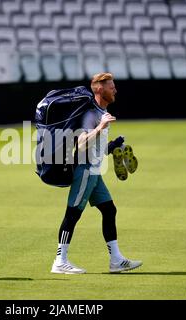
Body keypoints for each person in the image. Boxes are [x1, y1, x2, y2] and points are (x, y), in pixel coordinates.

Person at [51, 73, 143, 274]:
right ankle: (60, 260)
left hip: (94, 172)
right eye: (111, 87)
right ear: (100, 89)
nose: (115, 90)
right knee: (73, 214)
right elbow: (81, 144)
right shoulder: (91, 114)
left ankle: (116, 260)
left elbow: (96, 149)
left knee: (109, 210)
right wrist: (101, 127)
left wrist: (114, 146)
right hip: (84, 171)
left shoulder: (102, 112)